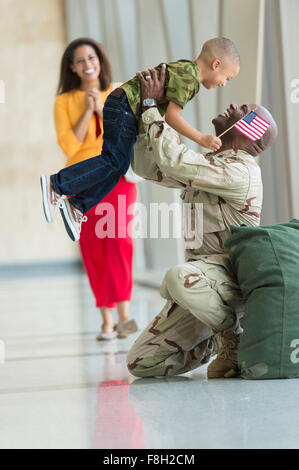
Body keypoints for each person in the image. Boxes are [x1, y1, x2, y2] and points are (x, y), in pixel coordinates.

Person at [126, 70, 278, 378]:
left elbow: (174, 161)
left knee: (175, 279)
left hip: (226, 282)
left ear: (250, 132)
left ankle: (232, 336)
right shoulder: (213, 164)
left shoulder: (241, 173)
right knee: (140, 363)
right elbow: (148, 166)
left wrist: (153, 106)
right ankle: (212, 335)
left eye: (245, 111)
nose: (234, 106)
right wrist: (143, 114)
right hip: (201, 286)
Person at [40, 37, 240, 241]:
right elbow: (172, 115)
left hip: (121, 106)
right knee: (113, 161)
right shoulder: (190, 80)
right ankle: (56, 184)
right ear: (216, 64)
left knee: (118, 165)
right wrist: (201, 138)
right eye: (227, 78)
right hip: (124, 108)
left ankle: (77, 205)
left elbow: (166, 114)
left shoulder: (185, 70)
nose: (224, 83)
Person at [53, 38, 138, 340]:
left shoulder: (117, 95)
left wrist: (102, 111)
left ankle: (125, 315)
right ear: (72, 67)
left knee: (119, 241)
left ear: (100, 60)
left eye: (92, 57)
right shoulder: (64, 102)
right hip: (83, 180)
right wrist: (86, 112)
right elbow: (70, 144)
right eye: (80, 60)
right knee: (93, 249)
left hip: (116, 178)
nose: (87, 64)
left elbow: (125, 138)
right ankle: (106, 319)